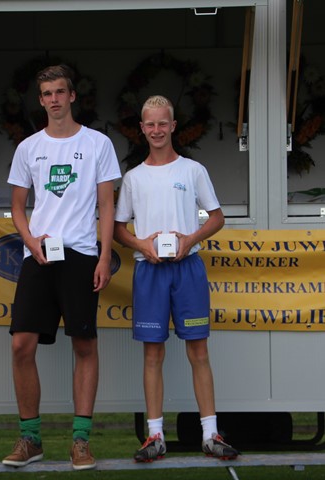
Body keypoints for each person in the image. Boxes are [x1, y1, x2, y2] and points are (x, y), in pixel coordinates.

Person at [2, 64, 121, 471]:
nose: (54, 99)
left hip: (82, 255)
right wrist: (30, 241)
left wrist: (104, 256)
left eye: (60, 92)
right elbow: (17, 207)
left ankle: (81, 441)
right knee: (21, 345)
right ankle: (30, 439)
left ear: (72, 96)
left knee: (84, 345)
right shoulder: (28, 147)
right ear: (41, 100)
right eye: (47, 94)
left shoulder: (98, 144)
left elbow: (107, 205)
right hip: (39, 256)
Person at [114, 95, 238, 462]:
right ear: (142, 128)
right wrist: (141, 244)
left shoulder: (192, 170)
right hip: (149, 270)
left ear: (173, 126)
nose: (156, 130)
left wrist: (190, 239)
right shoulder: (133, 178)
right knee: (153, 353)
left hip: (188, 268)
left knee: (198, 350)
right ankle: (155, 436)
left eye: (162, 123)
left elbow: (216, 217)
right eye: (150, 124)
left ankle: (210, 434)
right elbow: (118, 229)